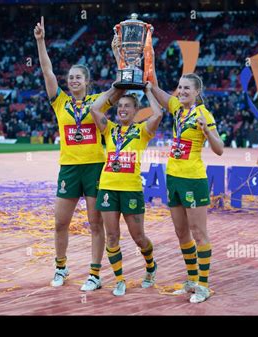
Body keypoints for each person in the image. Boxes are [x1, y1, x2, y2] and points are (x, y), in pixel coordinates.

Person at [34, 16, 122, 291]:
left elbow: (120, 85)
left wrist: (116, 52)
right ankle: (61, 267)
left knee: (96, 224)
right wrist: (40, 41)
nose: (73, 80)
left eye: (78, 77)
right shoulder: (60, 102)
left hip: (95, 167)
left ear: (86, 81)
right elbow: (48, 73)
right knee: (61, 222)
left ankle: (95, 274)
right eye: (70, 77)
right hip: (69, 168)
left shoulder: (98, 103)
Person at [150, 49, 224, 303]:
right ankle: (192, 279)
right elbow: (156, 89)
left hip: (193, 178)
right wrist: (150, 57)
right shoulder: (176, 109)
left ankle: (203, 285)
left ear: (196, 92)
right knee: (182, 232)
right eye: (179, 87)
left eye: (186, 89)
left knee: (198, 232)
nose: (181, 91)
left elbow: (219, 149)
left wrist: (207, 131)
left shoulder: (203, 115)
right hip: (173, 177)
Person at [90, 82, 163, 296]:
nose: (122, 109)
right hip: (107, 188)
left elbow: (158, 114)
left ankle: (151, 265)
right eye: (120, 105)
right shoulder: (109, 128)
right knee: (112, 236)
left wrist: (148, 91)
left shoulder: (142, 131)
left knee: (138, 237)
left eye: (127, 106)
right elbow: (95, 108)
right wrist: (115, 89)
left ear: (135, 110)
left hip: (131, 190)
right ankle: (119, 280)